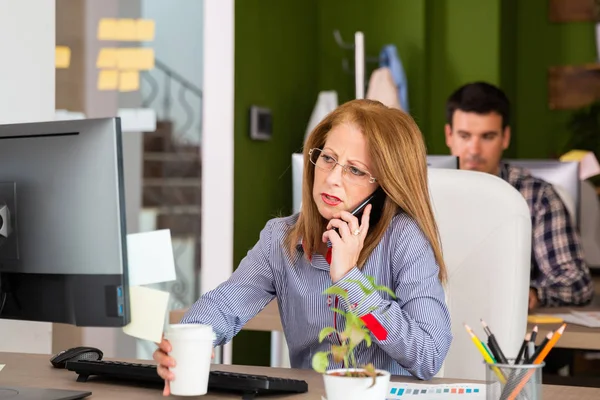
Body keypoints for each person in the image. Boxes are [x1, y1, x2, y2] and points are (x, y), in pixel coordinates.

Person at [153, 99, 453, 395]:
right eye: (328, 159)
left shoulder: (405, 239)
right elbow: (224, 306)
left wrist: (351, 280)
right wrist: (181, 343)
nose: (332, 178)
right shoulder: (281, 238)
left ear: (385, 187)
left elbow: (428, 355)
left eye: (356, 171)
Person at [444, 81, 594, 311]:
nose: (474, 150)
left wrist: (533, 294)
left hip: (510, 331)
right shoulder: (421, 191)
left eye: (487, 137)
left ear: (505, 137)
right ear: (449, 135)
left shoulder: (537, 196)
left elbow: (577, 283)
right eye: (464, 136)